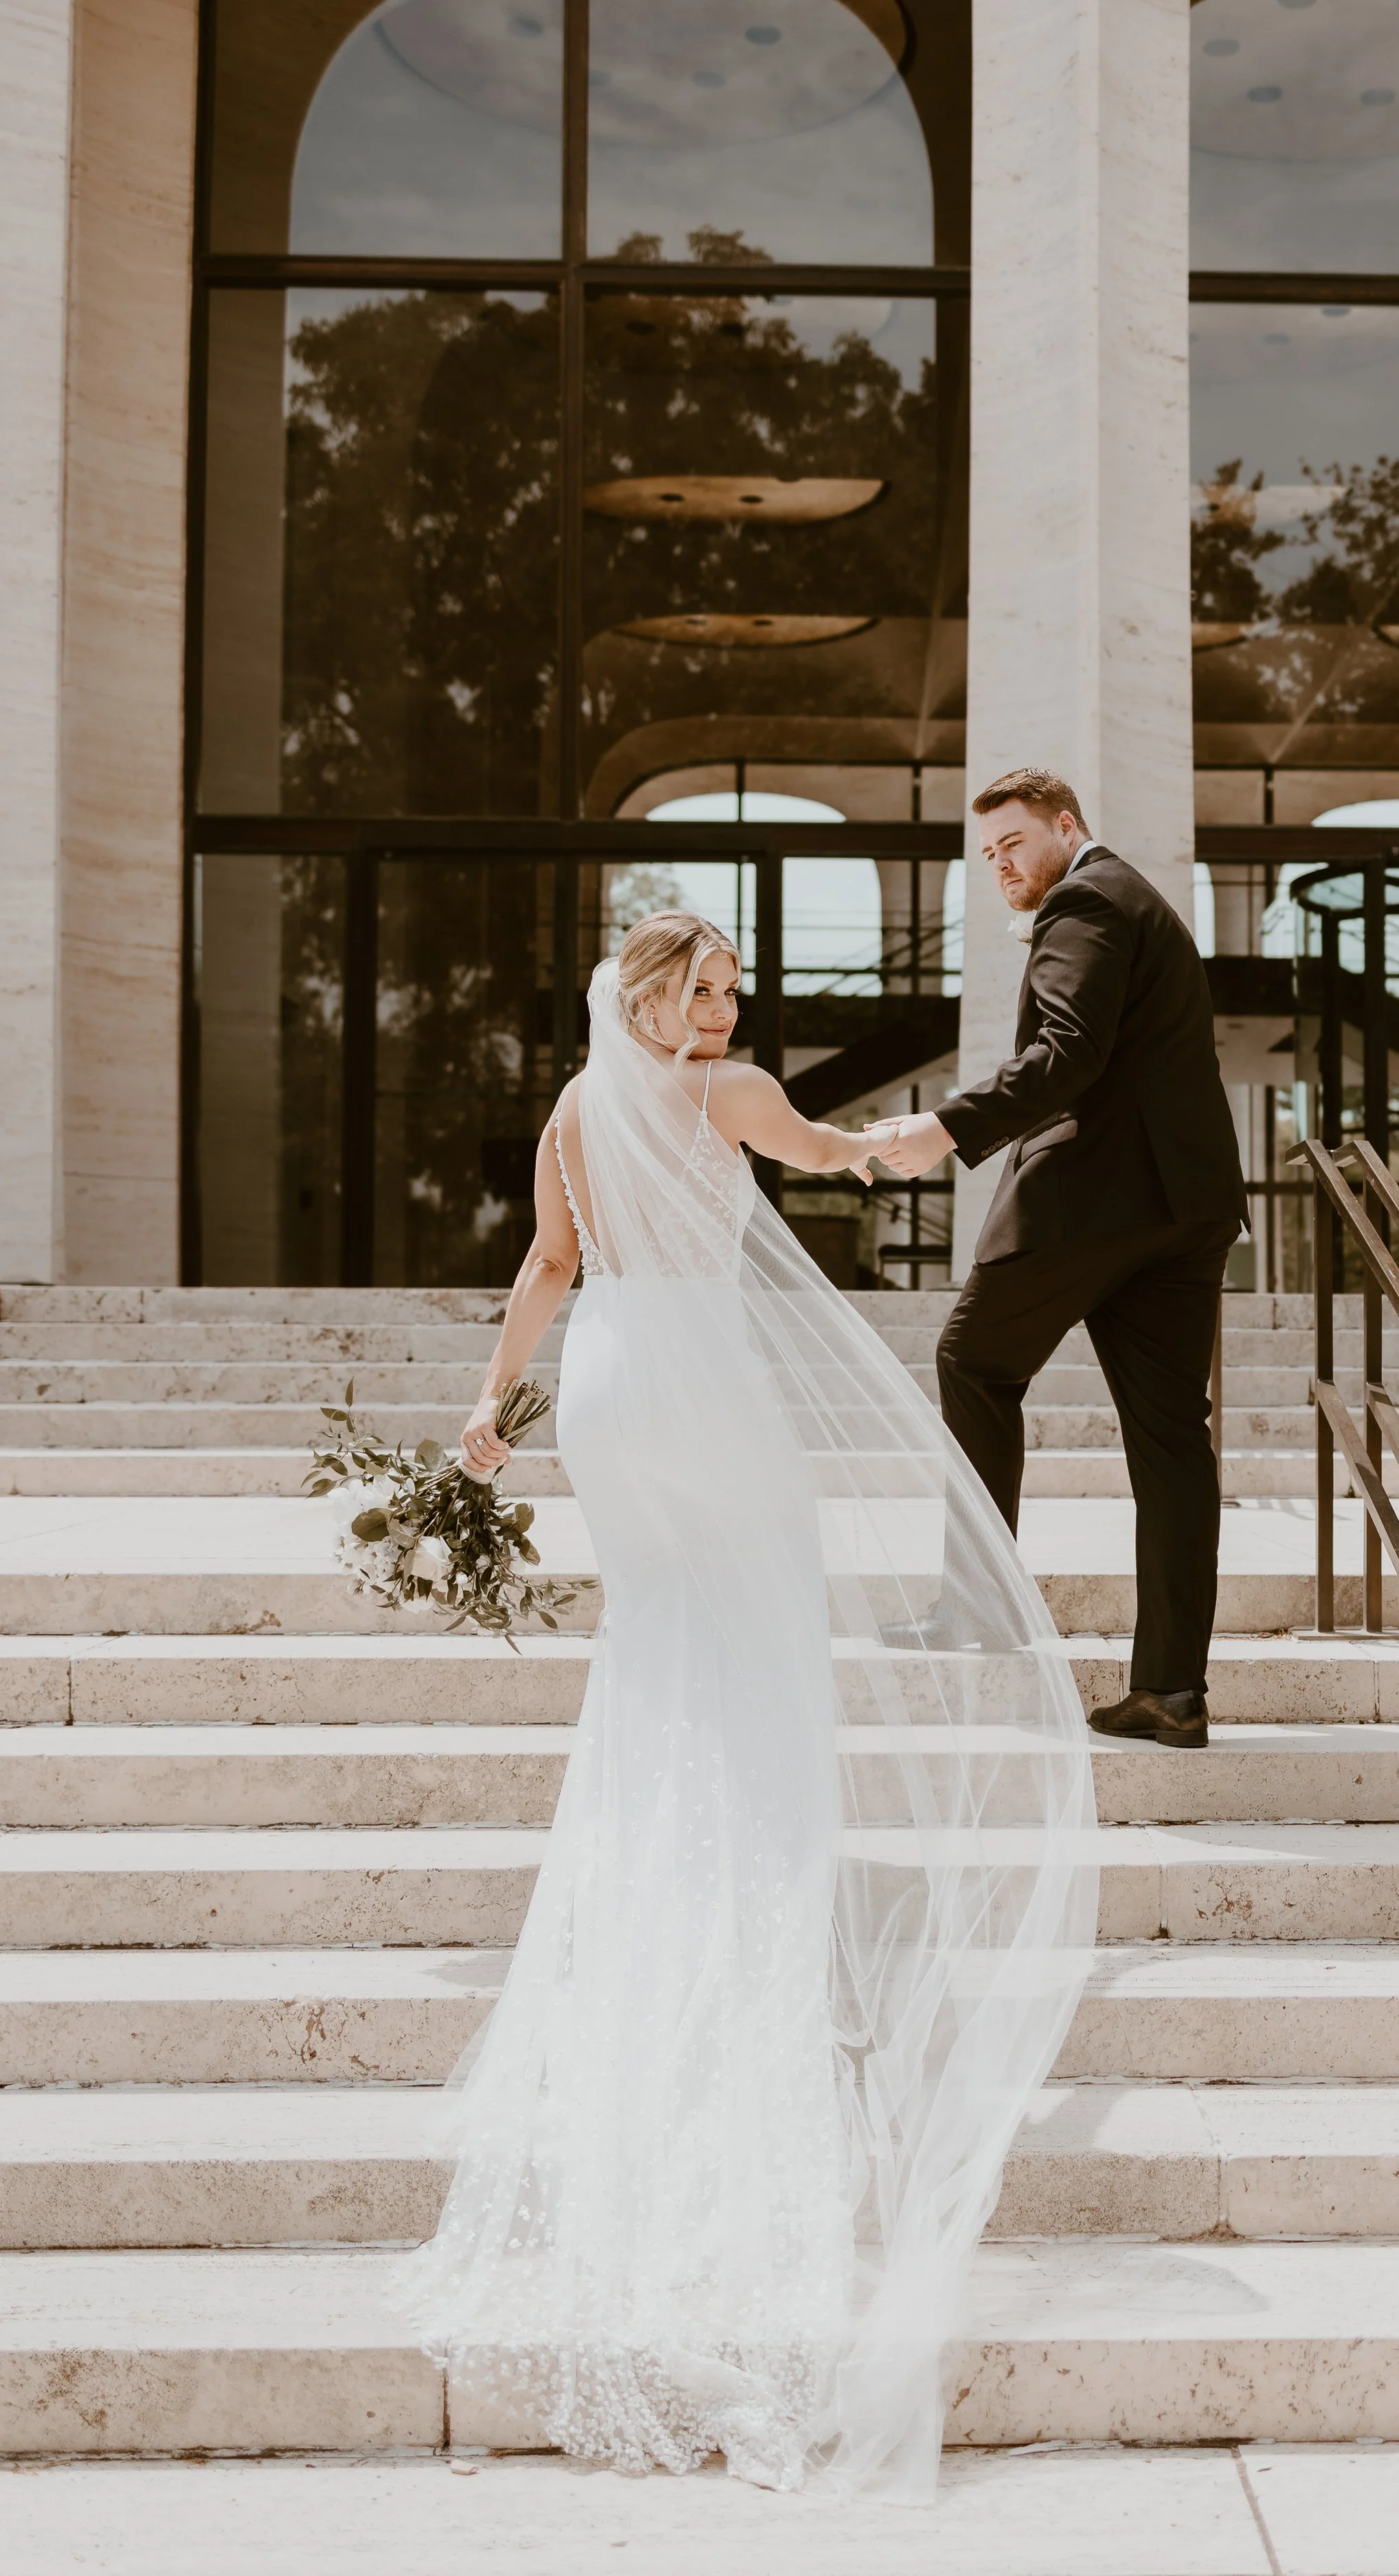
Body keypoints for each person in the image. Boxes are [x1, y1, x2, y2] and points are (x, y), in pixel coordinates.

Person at [399, 912, 1097, 2501]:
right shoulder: (724, 1095)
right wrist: (915, 1143)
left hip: (607, 1380)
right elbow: (833, 1157)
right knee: (759, 1631)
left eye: (729, 991)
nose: (722, 1008)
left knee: (663, 1642)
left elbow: (547, 1268)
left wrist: (486, 1416)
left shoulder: (576, 1110)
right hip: (697, 1372)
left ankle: (681, 1836)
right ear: (648, 991)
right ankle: (763, 1856)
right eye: (702, 987)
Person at [870, 770, 1246, 1750]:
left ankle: (981, 1607)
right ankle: (1170, 1690)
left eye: (1014, 842)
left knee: (972, 1362)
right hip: (1183, 1205)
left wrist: (947, 1126)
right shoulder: (1134, 900)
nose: (1001, 863)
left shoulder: (1084, 899)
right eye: (988, 853)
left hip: (1096, 1200)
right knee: (1171, 1439)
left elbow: (1069, 1054)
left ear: (1066, 826)